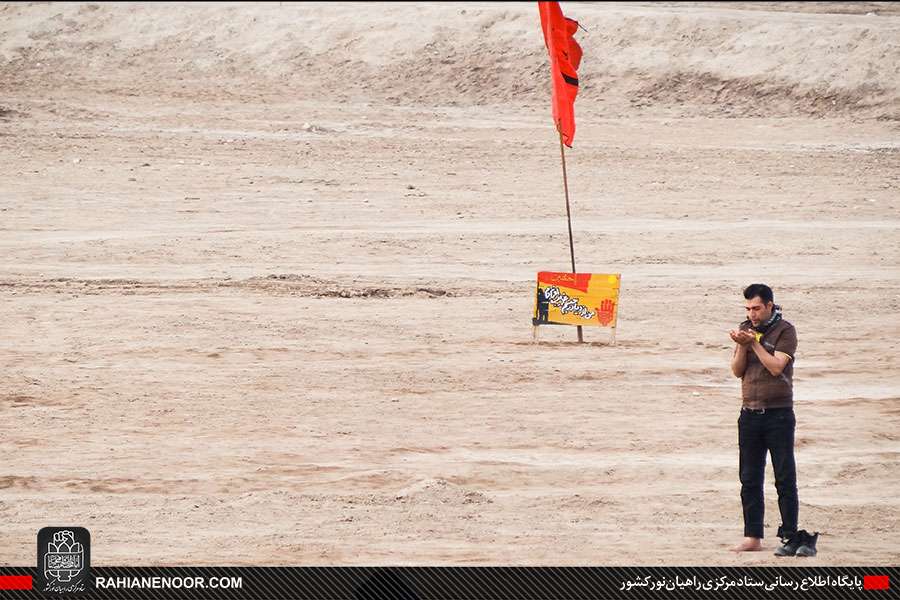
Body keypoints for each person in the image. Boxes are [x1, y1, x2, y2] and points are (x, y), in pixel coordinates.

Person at [728, 284, 813, 556]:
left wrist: (754, 343)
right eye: (748, 309)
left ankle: (790, 534)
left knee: (784, 477)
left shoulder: (785, 330)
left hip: (778, 413)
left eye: (756, 308)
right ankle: (753, 536)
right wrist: (742, 346)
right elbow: (737, 371)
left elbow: (777, 367)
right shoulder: (745, 327)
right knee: (749, 478)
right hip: (749, 413)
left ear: (769, 306)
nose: (752, 314)